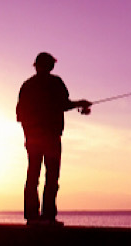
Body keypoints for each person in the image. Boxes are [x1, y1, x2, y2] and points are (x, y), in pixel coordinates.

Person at [16, 52, 91, 224]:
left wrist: (29, 132)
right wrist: (81, 104)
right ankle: (48, 216)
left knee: (33, 174)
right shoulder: (55, 82)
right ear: (50, 66)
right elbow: (64, 104)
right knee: (51, 176)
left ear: (36, 65)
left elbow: (19, 114)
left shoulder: (27, 85)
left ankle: (32, 216)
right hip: (51, 137)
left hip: (32, 138)